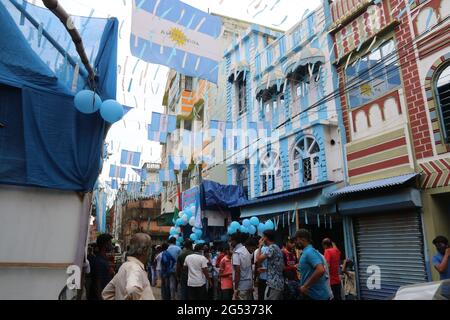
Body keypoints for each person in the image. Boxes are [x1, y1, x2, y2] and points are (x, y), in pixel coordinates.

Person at [102, 233, 155, 300]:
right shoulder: (134, 268)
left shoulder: (125, 266)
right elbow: (132, 290)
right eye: (150, 248)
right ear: (144, 250)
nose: (151, 251)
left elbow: (106, 293)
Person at [294, 229, 332, 300]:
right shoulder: (306, 252)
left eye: (296, 240)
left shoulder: (309, 252)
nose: (295, 242)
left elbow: (320, 270)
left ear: (303, 239)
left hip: (316, 296)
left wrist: (305, 286)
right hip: (311, 294)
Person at [255, 230, 285, 300]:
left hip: (273, 284)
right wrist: (266, 269)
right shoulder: (277, 247)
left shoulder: (272, 248)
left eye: (263, 237)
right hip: (278, 283)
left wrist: (260, 246)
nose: (262, 239)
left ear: (266, 238)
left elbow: (258, 259)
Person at [231, 233, 257, 300]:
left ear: (235, 241)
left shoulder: (237, 253)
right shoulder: (247, 252)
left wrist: (236, 289)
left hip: (241, 287)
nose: (230, 243)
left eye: (231, 241)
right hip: (248, 285)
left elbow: (237, 272)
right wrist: (252, 284)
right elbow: (250, 269)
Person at [89, 234, 115, 300]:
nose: (111, 245)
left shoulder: (103, 259)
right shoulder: (99, 262)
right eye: (110, 242)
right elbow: (97, 283)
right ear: (105, 244)